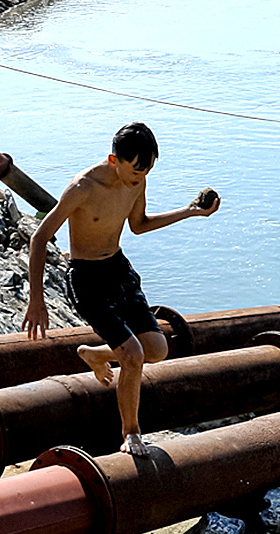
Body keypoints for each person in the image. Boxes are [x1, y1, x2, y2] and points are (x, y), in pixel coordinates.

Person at [23, 122, 219, 455]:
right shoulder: (83, 187)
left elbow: (139, 225)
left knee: (157, 349)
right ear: (115, 160)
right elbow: (39, 238)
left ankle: (96, 355)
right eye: (135, 171)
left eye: (146, 172)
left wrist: (190, 212)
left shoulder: (137, 181)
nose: (139, 178)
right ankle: (131, 434)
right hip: (87, 278)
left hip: (119, 269)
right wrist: (36, 300)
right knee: (133, 356)